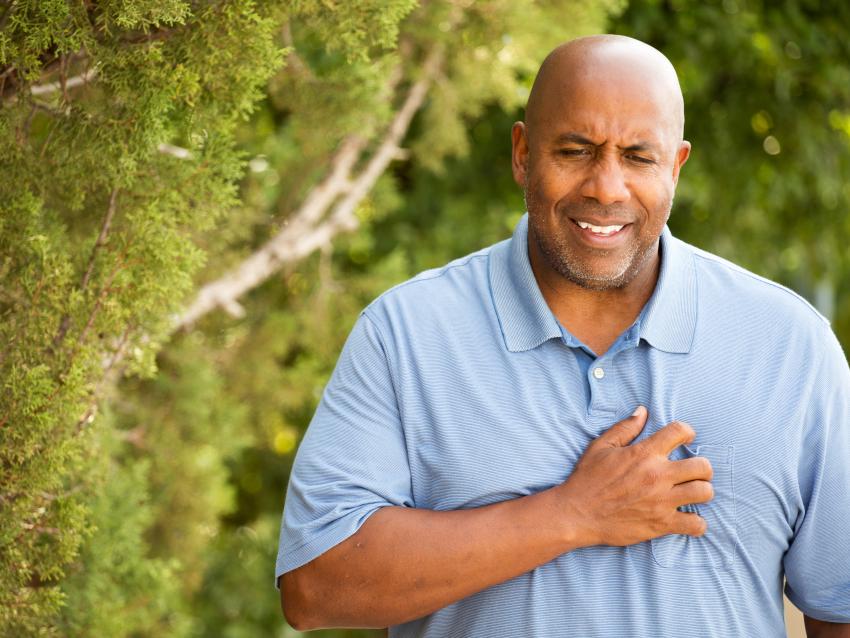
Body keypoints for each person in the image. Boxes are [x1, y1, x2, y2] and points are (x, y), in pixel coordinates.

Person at [275, 35, 850, 637]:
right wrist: (572, 515)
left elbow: (839, 604)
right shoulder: (407, 334)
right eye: (575, 150)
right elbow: (315, 586)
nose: (606, 187)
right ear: (523, 153)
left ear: (676, 166)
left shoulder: (790, 346)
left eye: (638, 157)